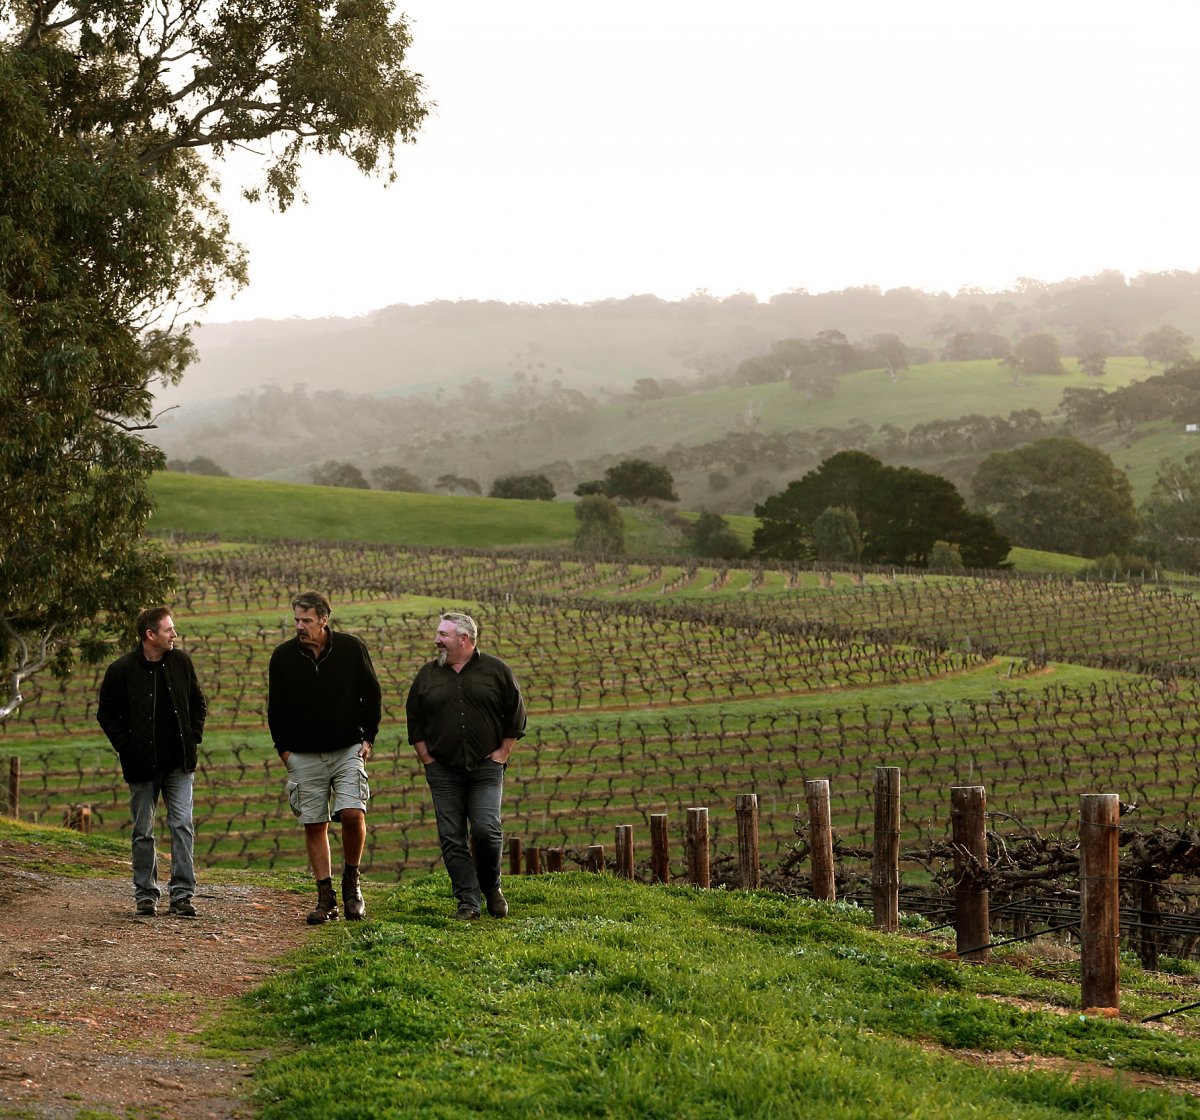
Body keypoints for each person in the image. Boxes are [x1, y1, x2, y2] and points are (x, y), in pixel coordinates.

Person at [268, 591, 381, 924]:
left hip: (347, 748)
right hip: (302, 754)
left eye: (307, 620)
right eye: (297, 620)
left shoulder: (351, 648)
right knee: (314, 823)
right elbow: (276, 708)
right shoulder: (283, 657)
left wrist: (368, 738)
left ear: (323, 619)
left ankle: (352, 884)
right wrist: (284, 750)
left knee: (351, 813)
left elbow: (371, 694)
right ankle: (325, 897)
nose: (300, 627)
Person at [406, 610, 527, 921]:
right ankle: (468, 902)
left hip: (486, 767)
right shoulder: (427, 676)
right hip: (443, 769)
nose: (436, 641)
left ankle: (492, 887)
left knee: (487, 830)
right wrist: (428, 760)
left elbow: (516, 716)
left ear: (464, 639)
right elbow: (414, 721)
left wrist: (502, 754)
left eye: (442, 635)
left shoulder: (496, 670)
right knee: (451, 836)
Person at [97, 607, 207, 918]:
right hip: (141, 766)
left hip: (179, 764)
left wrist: (192, 734)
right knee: (143, 831)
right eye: (168, 629)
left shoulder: (182, 663)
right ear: (150, 635)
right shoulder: (121, 670)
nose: (174, 634)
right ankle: (146, 895)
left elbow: (198, 704)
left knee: (182, 826)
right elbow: (106, 714)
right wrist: (127, 747)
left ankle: (182, 895)